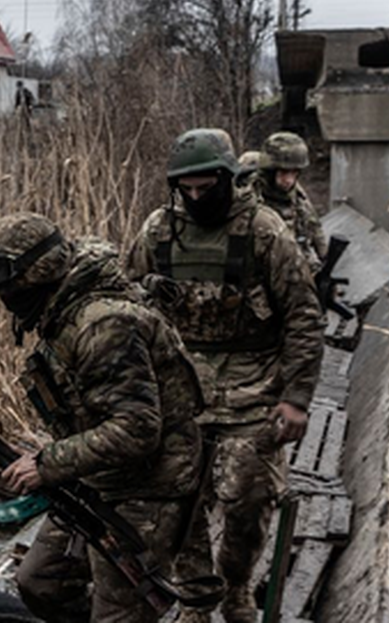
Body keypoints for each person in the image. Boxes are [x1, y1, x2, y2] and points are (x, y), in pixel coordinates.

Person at [0, 213, 205, 623]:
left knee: (120, 611)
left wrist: (49, 463)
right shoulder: (65, 310)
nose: (5, 302)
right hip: (103, 476)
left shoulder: (103, 324)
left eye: (9, 291)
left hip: (150, 484)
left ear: (38, 277)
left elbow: (138, 429)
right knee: (39, 581)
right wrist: (55, 445)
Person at [125, 129, 324, 623]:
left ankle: (237, 584)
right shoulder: (158, 230)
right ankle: (197, 596)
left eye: (205, 187)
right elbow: (125, 300)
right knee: (181, 502)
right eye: (186, 189)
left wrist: (297, 396)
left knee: (247, 499)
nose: (196, 198)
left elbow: (303, 315)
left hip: (253, 386)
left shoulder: (264, 231)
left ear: (227, 179)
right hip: (181, 387)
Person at [252, 131, 327, 269]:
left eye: (294, 173)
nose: (289, 180)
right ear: (270, 171)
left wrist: (324, 258)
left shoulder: (297, 196)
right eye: (283, 173)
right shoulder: (252, 196)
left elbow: (314, 226)